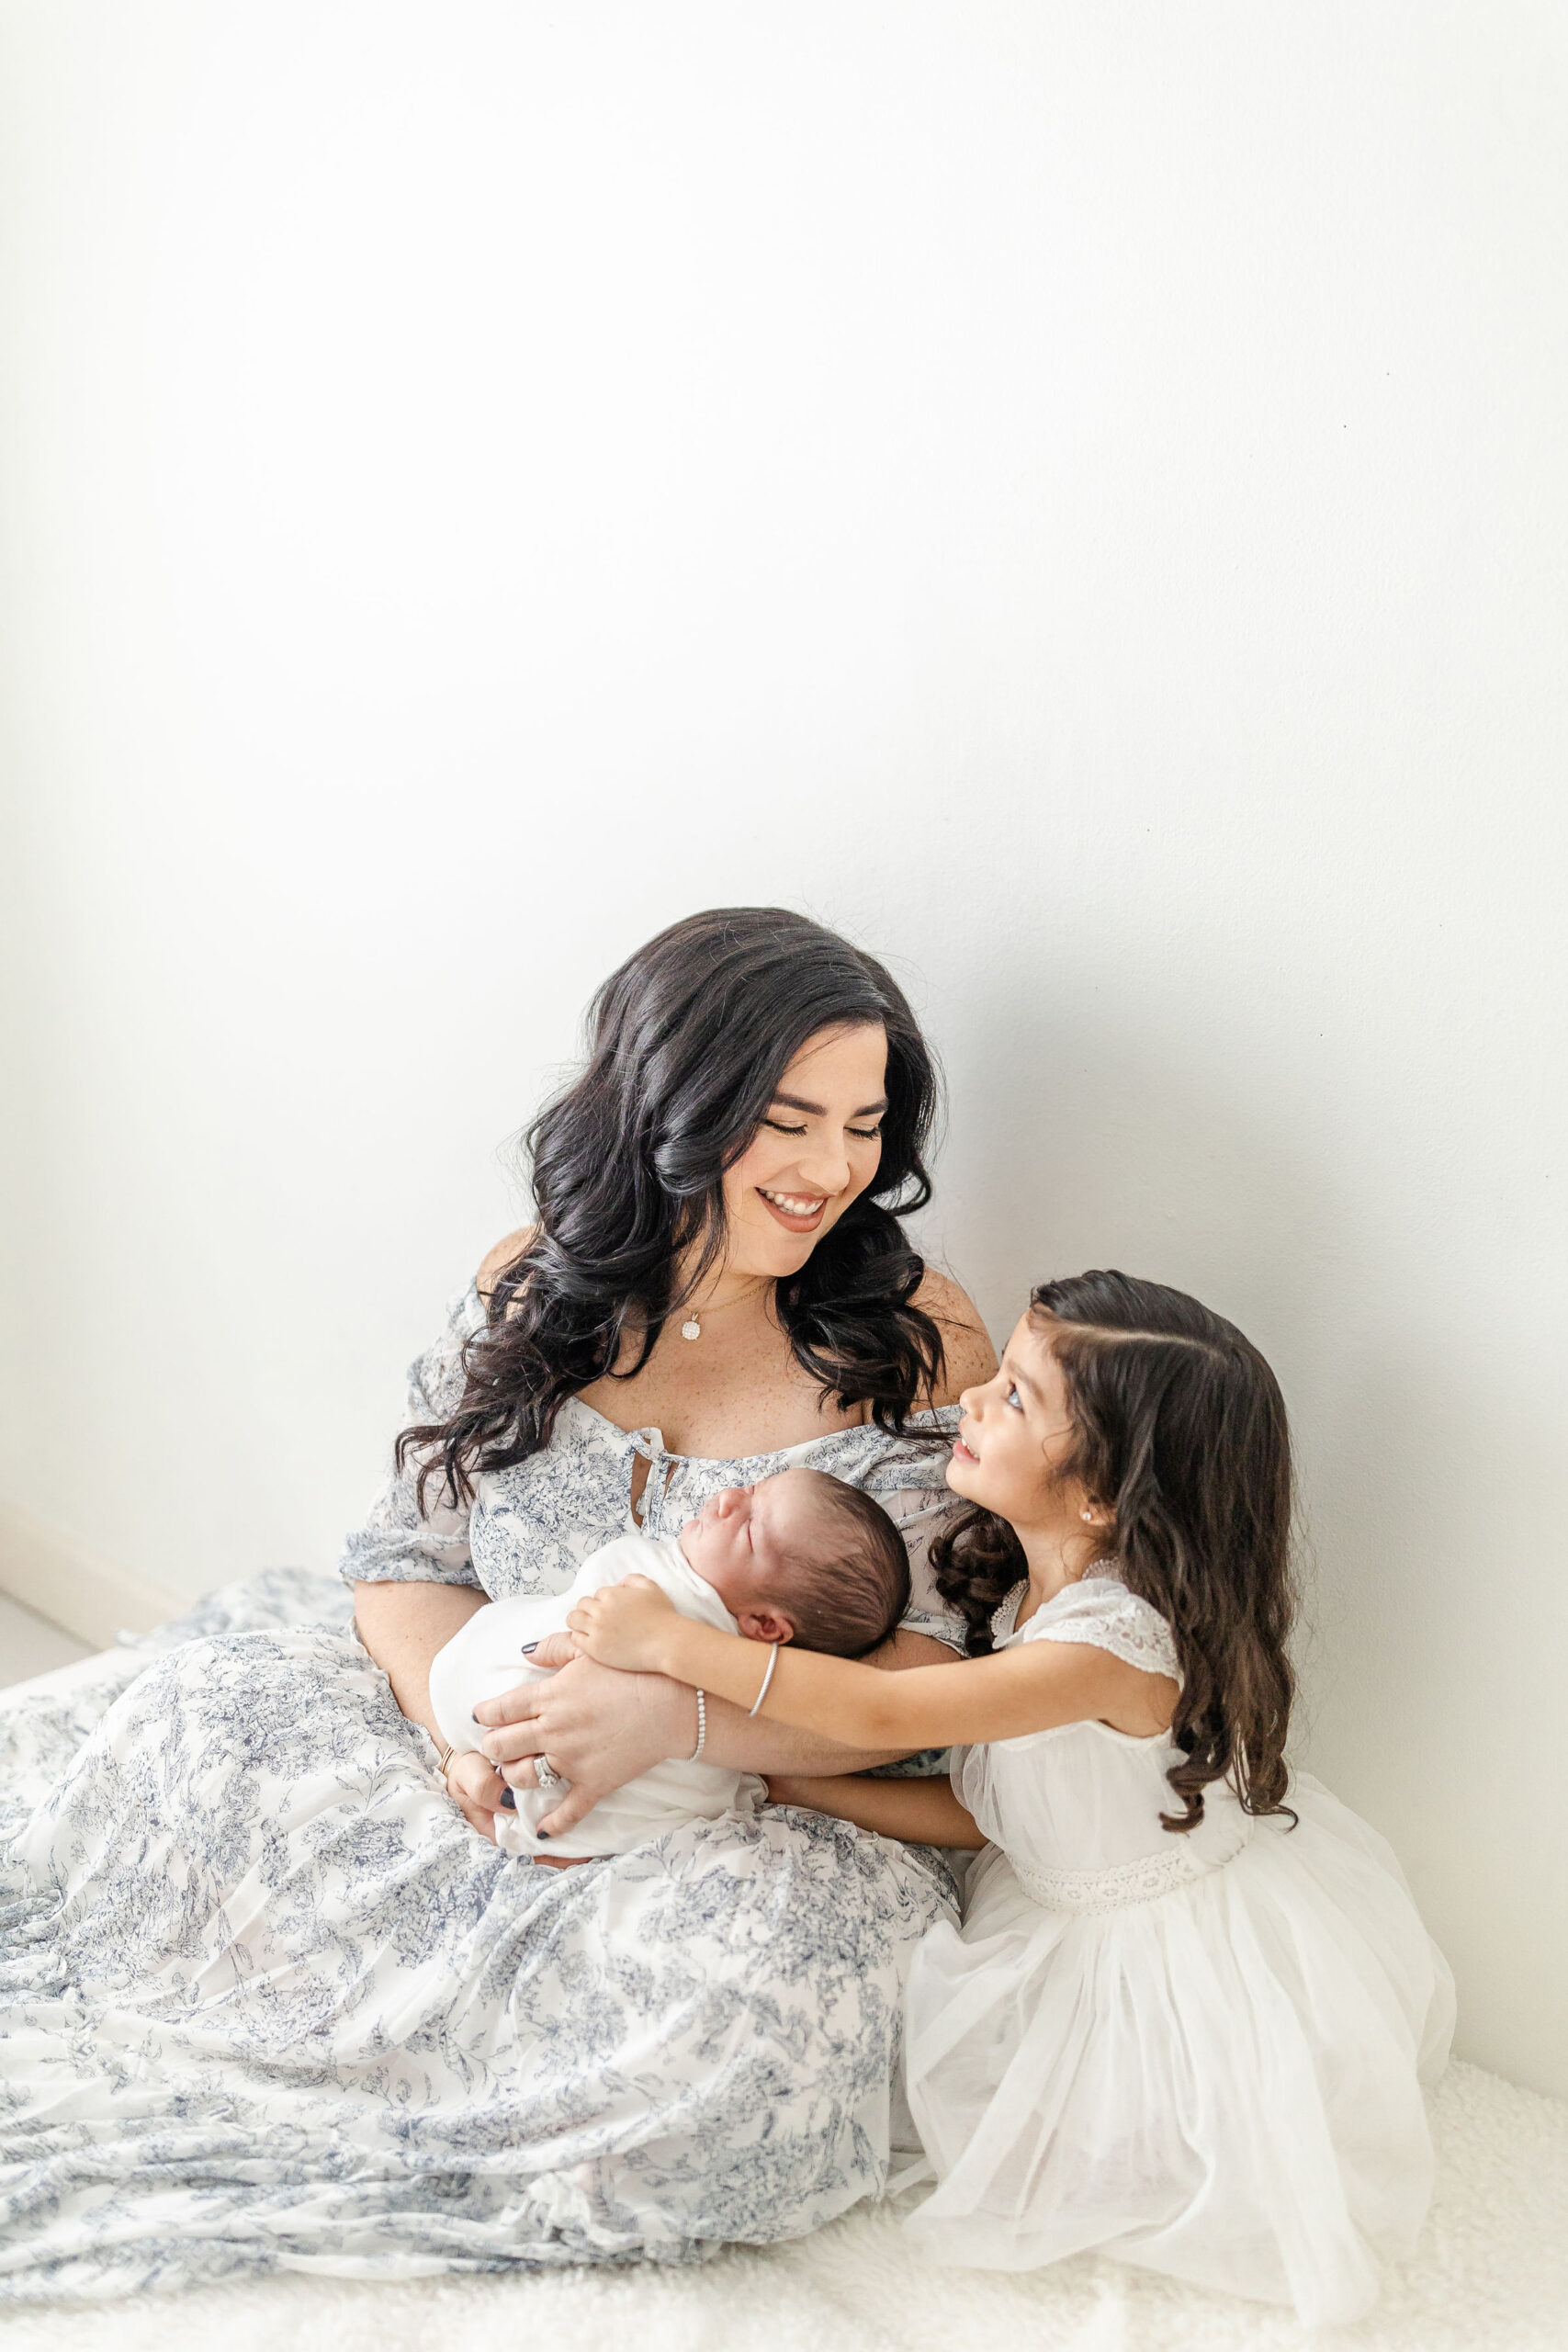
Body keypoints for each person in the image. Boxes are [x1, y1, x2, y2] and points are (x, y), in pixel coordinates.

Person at [0, 907, 997, 2299]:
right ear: (673, 1100)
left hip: (750, 1817)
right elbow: (409, 1565)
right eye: (788, 1120)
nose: (833, 1169)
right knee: (203, 1713)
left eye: (863, 1123)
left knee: (768, 2015)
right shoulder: (534, 1282)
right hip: (474, 1739)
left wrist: (674, 1725)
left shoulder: (915, 1335)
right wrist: (465, 1747)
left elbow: (924, 1677)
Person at [562, 1269, 1457, 2328]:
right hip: (1057, 1890)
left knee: (1094, 2151)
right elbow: (1000, 1814)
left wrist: (679, 1648)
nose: (978, 1396)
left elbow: (893, 1714)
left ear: (1102, 1496)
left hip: (1158, 1943)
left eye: (1019, 1397)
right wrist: (798, 1784)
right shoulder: (1035, 1587)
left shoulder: (1107, 1643)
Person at [428, 1465, 910, 1859]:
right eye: (751, 1490)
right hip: (475, 1735)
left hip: (498, 1744)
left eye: (747, 1530)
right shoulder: (668, 1575)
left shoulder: (704, 1635)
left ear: (765, 1626)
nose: (726, 1501)